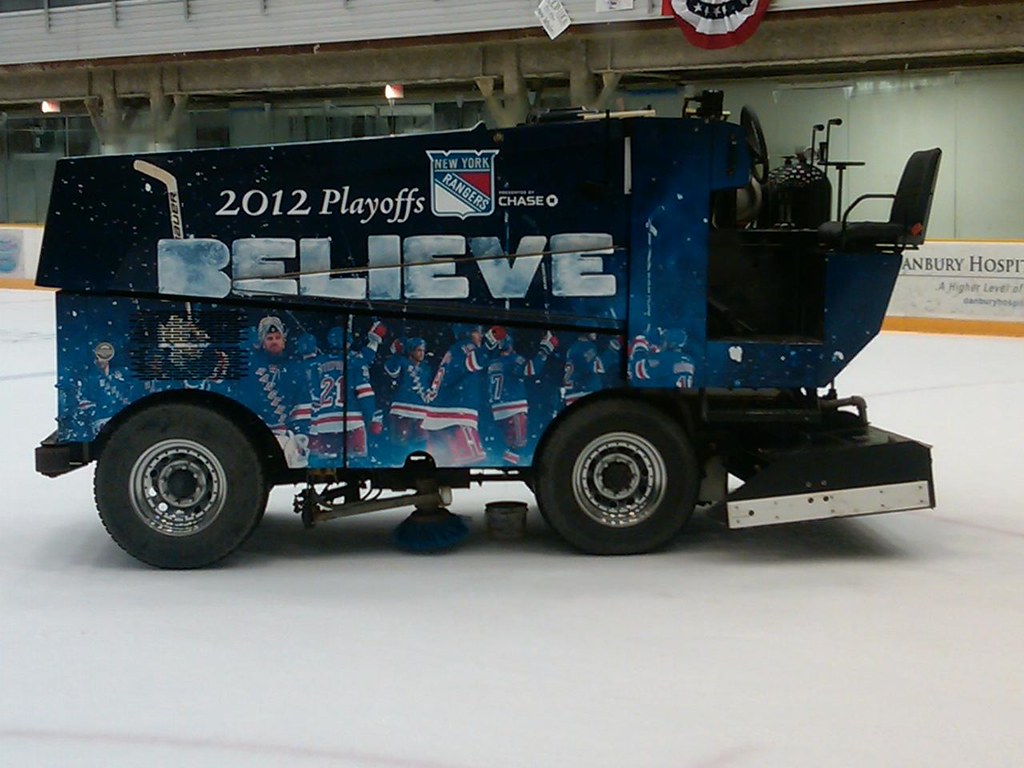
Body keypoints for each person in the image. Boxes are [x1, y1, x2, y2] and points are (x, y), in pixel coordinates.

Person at [421, 323, 504, 466]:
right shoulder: (466, 346)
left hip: (436, 418)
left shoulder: (453, 351)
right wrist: (489, 344)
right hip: (454, 418)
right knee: (474, 465)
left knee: (444, 466)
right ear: (469, 333)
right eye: (478, 332)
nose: (481, 336)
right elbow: (474, 361)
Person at [486, 330, 557, 465]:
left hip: (497, 409)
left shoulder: (493, 363)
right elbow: (531, 369)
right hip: (513, 407)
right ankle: (507, 468)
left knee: (507, 443)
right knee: (518, 444)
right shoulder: (512, 360)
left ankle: (504, 465)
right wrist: (545, 350)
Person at [383, 337, 431, 458]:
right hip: (402, 410)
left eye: (423, 350)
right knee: (400, 446)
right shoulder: (402, 362)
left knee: (421, 444)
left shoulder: (426, 368)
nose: (422, 353)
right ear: (411, 351)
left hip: (421, 412)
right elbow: (391, 370)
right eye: (419, 350)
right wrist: (396, 355)